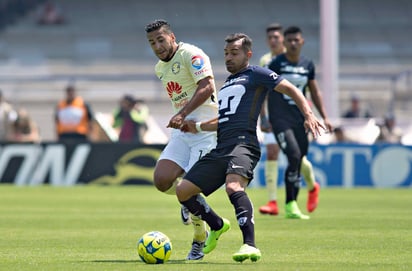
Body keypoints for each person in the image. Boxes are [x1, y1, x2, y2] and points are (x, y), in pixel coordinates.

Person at [176, 33, 325, 262]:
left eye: (234, 53)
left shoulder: (256, 74)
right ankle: (216, 225)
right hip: (221, 148)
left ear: (248, 54)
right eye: (226, 53)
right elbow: (223, 120)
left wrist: (308, 114)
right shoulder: (226, 84)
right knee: (183, 191)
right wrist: (196, 126)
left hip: (244, 144)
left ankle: (249, 245)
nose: (228, 58)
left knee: (233, 186)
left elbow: (291, 89)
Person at [145, 19, 218, 260]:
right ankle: (185, 201)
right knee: (162, 180)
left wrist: (182, 114)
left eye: (161, 40)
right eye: (152, 42)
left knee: (188, 188)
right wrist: (181, 117)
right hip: (182, 131)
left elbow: (207, 87)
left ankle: (199, 239)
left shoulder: (192, 54)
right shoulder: (160, 68)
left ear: (172, 37)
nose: (157, 46)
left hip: (205, 131)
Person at [267, 26, 333, 219]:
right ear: (284, 43)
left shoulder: (307, 65)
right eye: (290, 40)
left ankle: (294, 202)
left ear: (302, 42)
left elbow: (314, 91)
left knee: (299, 158)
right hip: (280, 119)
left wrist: (325, 116)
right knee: (294, 156)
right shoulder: (276, 64)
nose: (293, 43)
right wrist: (263, 117)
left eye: (297, 40)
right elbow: (264, 91)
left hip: (302, 121)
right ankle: (290, 204)